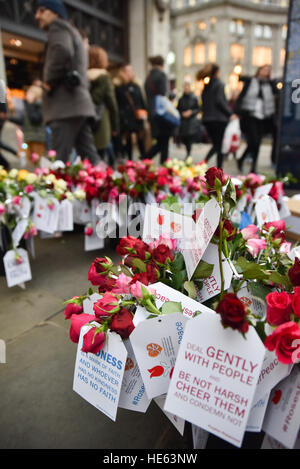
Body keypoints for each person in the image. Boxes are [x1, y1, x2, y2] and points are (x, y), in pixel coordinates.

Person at [35, 0, 99, 164]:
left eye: (41, 11)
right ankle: (110, 188)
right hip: (77, 105)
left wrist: (48, 80)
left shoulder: (58, 27)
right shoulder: (72, 31)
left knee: (58, 162)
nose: (37, 16)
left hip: (66, 107)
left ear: (54, 13)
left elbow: (62, 50)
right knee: (90, 158)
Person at [235, 64, 278, 173]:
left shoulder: (270, 84)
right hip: (250, 115)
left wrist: (272, 81)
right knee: (254, 141)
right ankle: (243, 160)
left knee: (257, 142)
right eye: (264, 69)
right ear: (259, 70)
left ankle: (252, 167)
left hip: (264, 116)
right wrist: (237, 112)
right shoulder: (251, 81)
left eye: (268, 70)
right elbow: (241, 96)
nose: (265, 72)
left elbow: (277, 93)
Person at [197, 63, 236, 169]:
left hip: (207, 119)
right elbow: (220, 101)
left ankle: (212, 165)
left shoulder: (206, 86)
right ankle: (216, 167)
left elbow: (204, 103)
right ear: (217, 72)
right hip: (218, 120)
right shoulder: (219, 84)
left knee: (217, 144)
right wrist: (230, 114)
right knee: (219, 145)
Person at [87, 45, 119, 166]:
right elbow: (112, 104)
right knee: (99, 159)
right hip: (101, 123)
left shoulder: (82, 77)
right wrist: (115, 127)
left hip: (84, 123)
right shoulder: (104, 78)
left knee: (86, 158)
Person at [114, 64, 147, 160]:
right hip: (126, 119)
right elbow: (118, 104)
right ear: (123, 72)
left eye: (132, 70)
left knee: (141, 140)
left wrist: (144, 115)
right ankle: (130, 161)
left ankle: (144, 160)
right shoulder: (119, 87)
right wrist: (121, 117)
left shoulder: (137, 86)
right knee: (128, 141)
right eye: (129, 70)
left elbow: (142, 101)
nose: (131, 72)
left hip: (138, 117)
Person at [144, 55, 173, 164]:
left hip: (152, 113)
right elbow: (164, 93)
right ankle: (146, 159)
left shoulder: (149, 77)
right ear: (162, 64)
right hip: (162, 113)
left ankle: (148, 160)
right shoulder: (161, 75)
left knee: (161, 141)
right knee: (163, 142)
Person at [21, 82, 46, 161]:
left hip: (37, 137)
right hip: (29, 137)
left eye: (29, 92)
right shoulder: (30, 105)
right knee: (30, 160)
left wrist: (29, 104)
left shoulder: (38, 105)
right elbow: (24, 121)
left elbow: (35, 119)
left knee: (38, 161)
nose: (27, 94)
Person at [177, 80, 200, 158]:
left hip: (191, 122)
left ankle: (188, 154)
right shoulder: (181, 99)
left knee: (189, 137)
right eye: (185, 87)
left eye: (187, 87)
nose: (186, 89)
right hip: (184, 122)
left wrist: (191, 112)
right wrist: (182, 114)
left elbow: (198, 109)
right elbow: (178, 110)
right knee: (185, 138)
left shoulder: (194, 98)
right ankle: (188, 152)